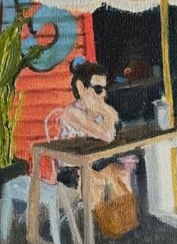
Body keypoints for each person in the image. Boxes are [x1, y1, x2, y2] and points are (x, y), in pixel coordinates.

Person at [57, 57, 137, 207]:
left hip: (95, 161)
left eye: (105, 89)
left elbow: (114, 127)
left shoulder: (97, 112)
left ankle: (121, 215)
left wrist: (106, 112)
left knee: (121, 173)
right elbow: (106, 136)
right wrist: (104, 110)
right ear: (81, 88)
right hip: (73, 167)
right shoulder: (72, 113)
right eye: (98, 89)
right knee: (99, 177)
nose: (103, 95)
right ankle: (96, 216)